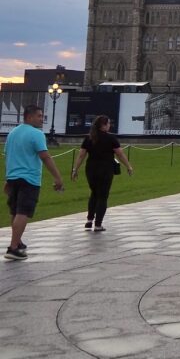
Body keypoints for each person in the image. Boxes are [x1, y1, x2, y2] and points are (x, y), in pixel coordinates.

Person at [4, 105, 64, 259]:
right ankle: (13, 248)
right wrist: (57, 177)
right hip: (29, 178)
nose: (41, 119)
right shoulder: (36, 134)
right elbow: (45, 156)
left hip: (13, 178)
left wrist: (7, 179)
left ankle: (18, 241)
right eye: (39, 116)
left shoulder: (12, 133)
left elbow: (8, 156)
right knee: (23, 212)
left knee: (15, 211)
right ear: (29, 117)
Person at [71, 115, 133, 232]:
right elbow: (120, 154)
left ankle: (89, 220)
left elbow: (81, 155)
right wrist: (128, 166)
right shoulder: (111, 138)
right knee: (103, 196)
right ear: (104, 125)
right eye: (108, 123)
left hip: (91, 170)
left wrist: (75, 169)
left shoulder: (89, 138)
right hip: (105, 169)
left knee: (94, 193)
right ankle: (98, 224)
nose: (109, 126)